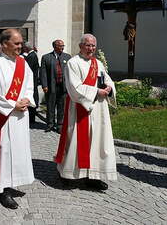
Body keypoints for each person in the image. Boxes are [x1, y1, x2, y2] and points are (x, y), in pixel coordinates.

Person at [55, 33, 117, 190]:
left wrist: (109, 88)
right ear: (80, 46)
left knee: (96, 142)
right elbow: (74, 87)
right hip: (80, 108)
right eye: (88, 45)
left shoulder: (98, 63)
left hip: (98, 110)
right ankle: (68, 174)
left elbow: (106, 79)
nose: (91, 49)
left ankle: (93, 176)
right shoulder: (72, 63)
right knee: (75, 140)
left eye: (93, 46)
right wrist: (96, 91)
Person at [0, 29, 35, 209]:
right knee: (3, 152)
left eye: (21, 43)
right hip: (2, 117)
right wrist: (13, 105)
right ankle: (1, 189)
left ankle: (13, 181)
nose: (21, 46)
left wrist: (27, 98)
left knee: (17, 151)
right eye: (17, 43)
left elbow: (29, 85)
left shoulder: (23, 63)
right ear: (4, 44)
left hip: (19, 117)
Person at [40, 40, 71, 133]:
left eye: (63, 45)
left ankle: (60, 125)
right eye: (60, 45)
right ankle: (50, 124)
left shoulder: (67, 57)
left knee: (62, 106)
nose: (62, 47)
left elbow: (71, 72)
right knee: (50, 106)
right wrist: (44, 85)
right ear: (54, 46)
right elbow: (43, 73)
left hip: (63, 87)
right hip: (51, 87)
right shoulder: (46, 57)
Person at [22, 42, 39, 123]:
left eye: (24, 47)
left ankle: (31, 118)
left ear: (27, 48)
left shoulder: (32, 56)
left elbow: (28, 67)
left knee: (32, 98)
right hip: (32, 79)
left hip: (32, 80)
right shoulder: (31, 55)